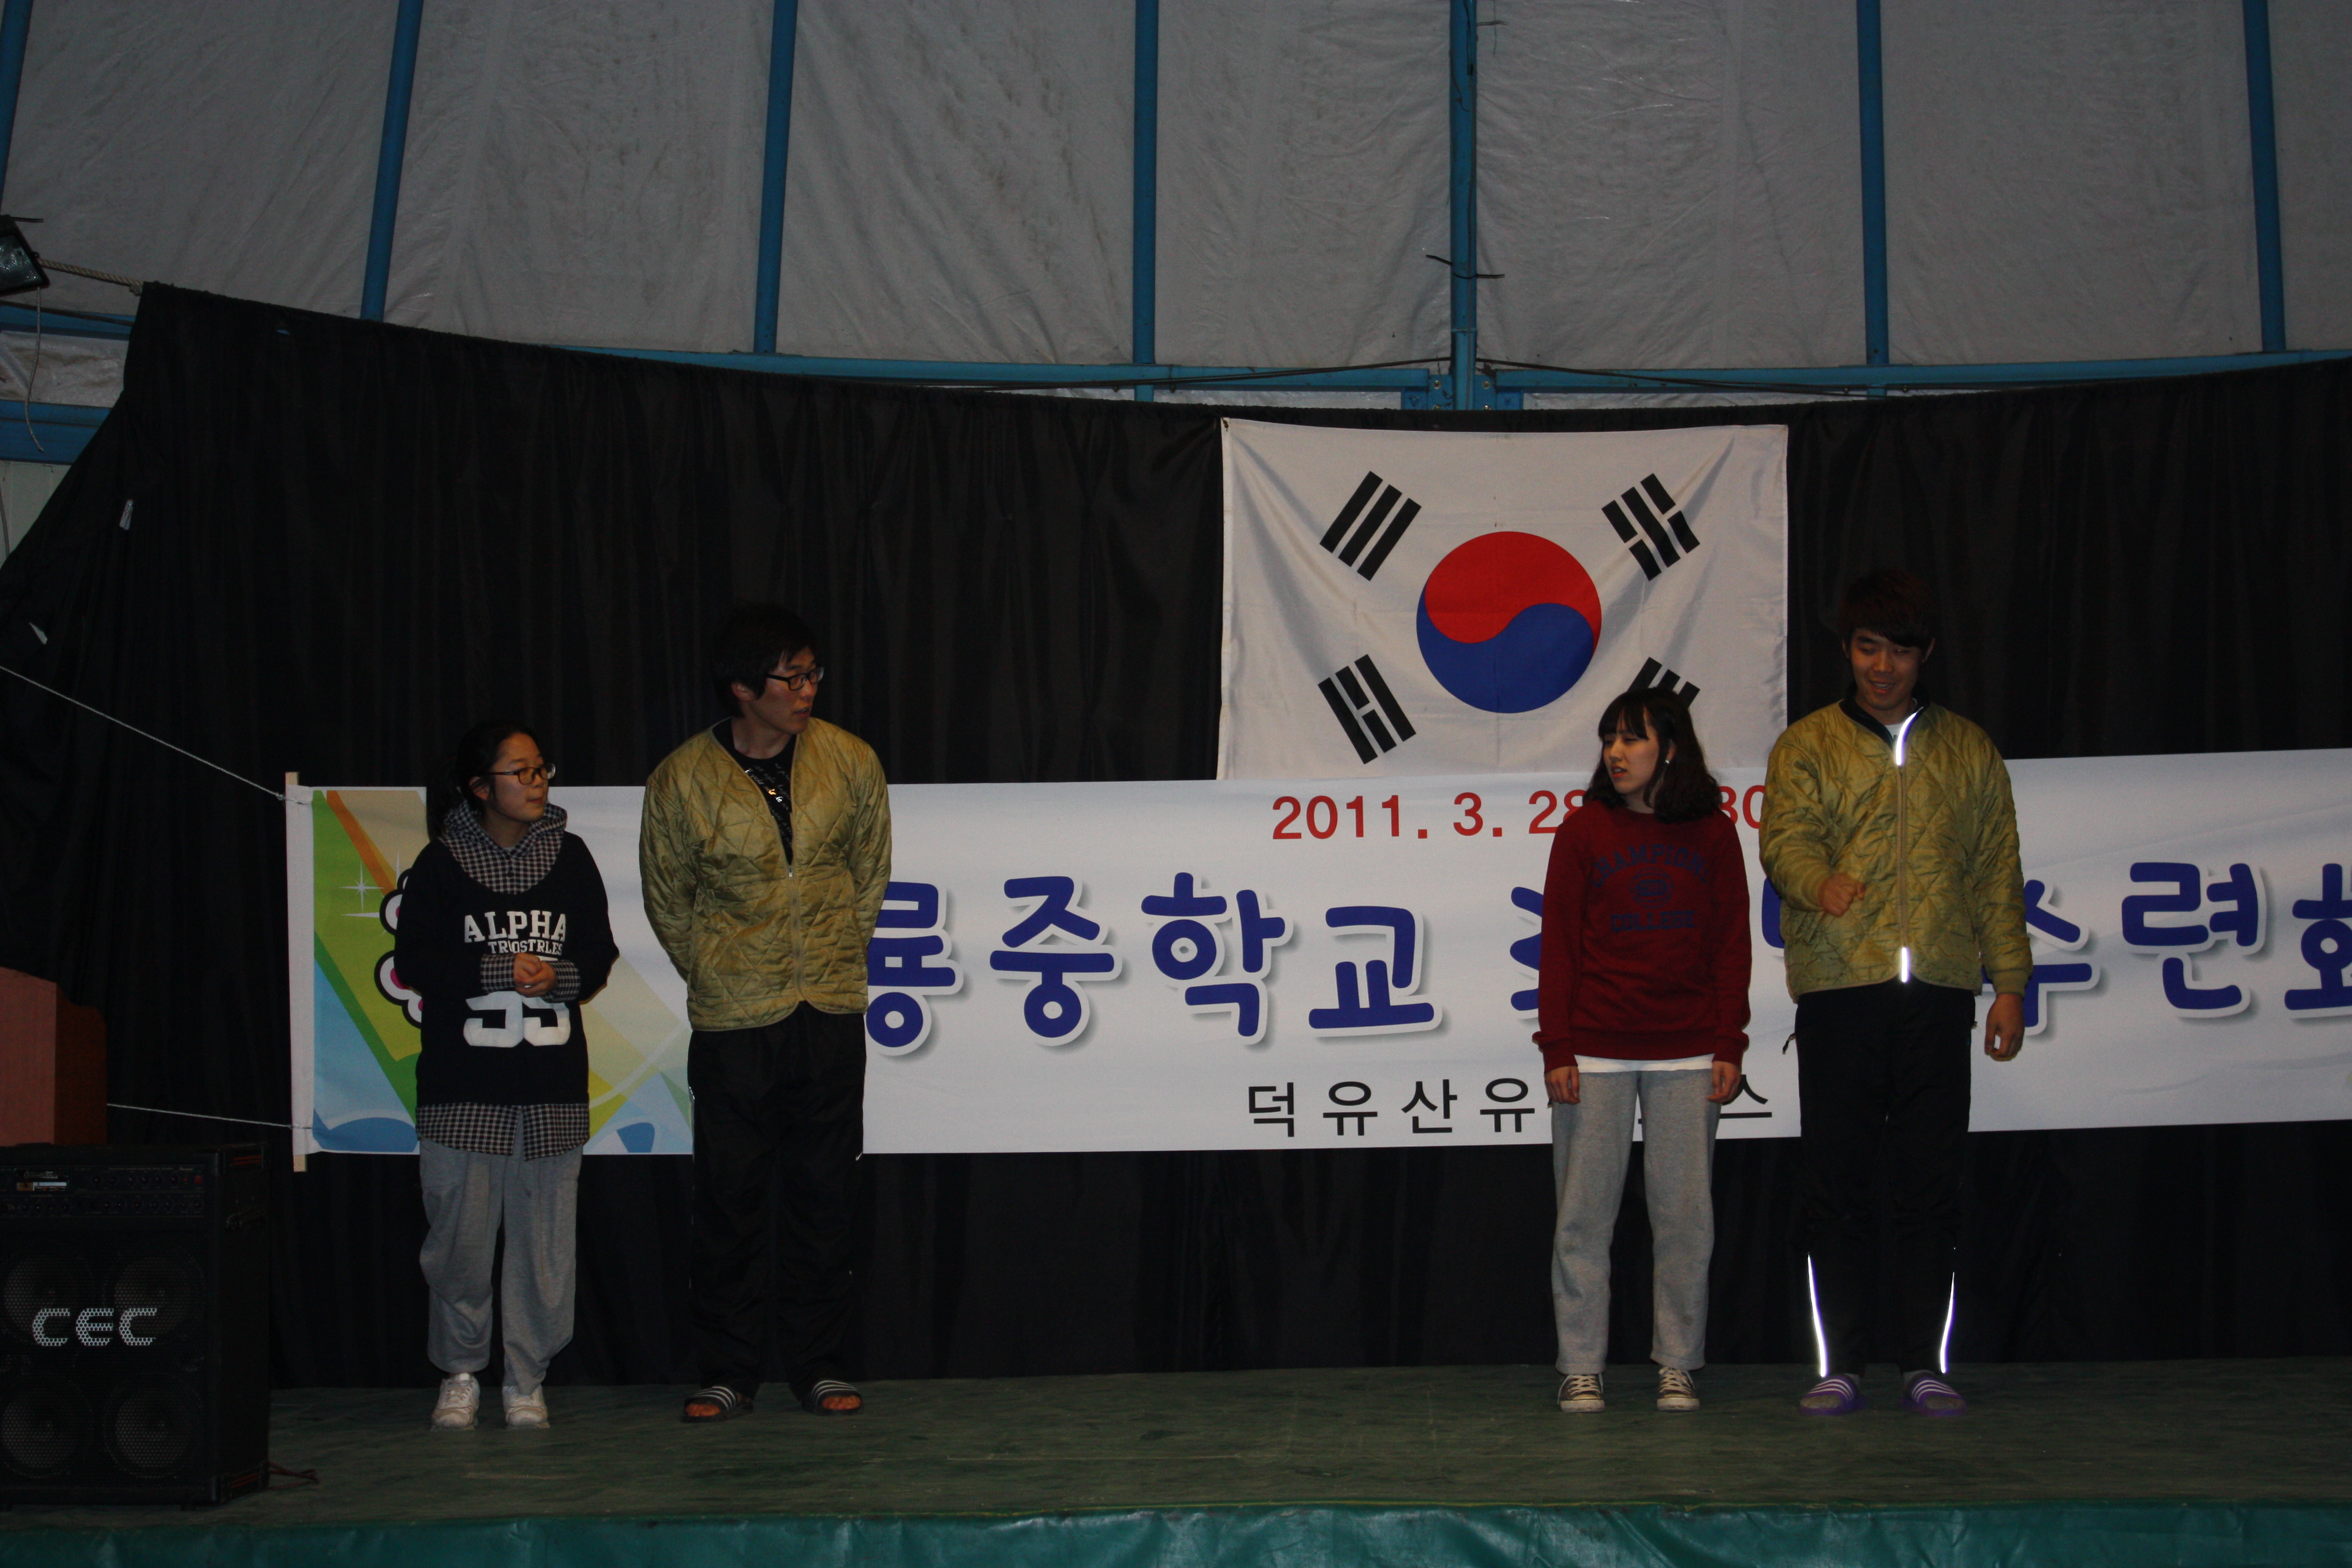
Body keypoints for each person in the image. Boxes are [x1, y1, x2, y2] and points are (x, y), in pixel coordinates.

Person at [1760, 568, 2030, 1417]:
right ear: (1847, 651)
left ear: (1926, 654)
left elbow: (1997, 871)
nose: (1883, 666)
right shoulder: (1807, 744)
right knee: (1835, 1185)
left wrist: (2010, 984)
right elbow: (1783, 839)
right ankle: (1840, 1364)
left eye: (1900, 651)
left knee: (1930, 1185)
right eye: (1868, 648)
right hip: (1841, 990)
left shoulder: (1969, 750)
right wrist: (1817, 881)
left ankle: (1922, 1362)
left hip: (1940, 992)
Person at [641, 603, 891, 1423]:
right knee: (730, 1199)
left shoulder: (851, 761)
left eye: (814, 673)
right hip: (734, 1019)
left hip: (829, 1007)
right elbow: (669, 901)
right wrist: (722, 968)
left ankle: (819, 1364)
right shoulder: (682, 779)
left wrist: (831, 952)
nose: (808, 689)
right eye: (792, 677)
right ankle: (727, 1370)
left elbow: (869, 875)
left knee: (825, 1195)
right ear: (744, 689)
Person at [1535, 686, 1751, 1414]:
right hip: (1595, 1048)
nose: (1616, 753)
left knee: (1685, 1218)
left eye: (1631, 738)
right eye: (1609, 740)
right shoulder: (1583, 832)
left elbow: (1732, 945)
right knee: (1582, 1217)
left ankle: (1678, 1363)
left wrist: (1729, 1040)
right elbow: (1559, 947)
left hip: (1688, 1051)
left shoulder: (1714, 834)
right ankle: (1580, 1364)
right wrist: (1558, 1048)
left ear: (1671, 747)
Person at [396, 721, 616, 1431]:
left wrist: (561, 977)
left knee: (544, 1248)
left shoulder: (571, 857)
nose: (536, 782)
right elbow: (415, 961)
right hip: (462, 1089)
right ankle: (460, 1370)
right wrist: (495, 968)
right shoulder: (440, 863)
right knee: (459, 1245)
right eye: (519, 771)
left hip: (550, 1087)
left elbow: (599, 953)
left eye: (541, 768)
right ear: (479, 788)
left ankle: (527, 1378)